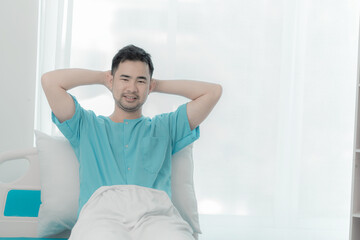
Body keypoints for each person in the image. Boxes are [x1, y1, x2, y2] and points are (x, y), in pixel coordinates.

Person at [41, 45, 222, 240]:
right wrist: (102, 78)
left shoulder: (165, 127)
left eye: (141, 81)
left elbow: (212, 92)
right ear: (112, 80)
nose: (132, 88)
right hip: (100, 216)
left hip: (156, 217)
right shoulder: (86, 125)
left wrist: (156, 85)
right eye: (125, 79)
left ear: (149, 86)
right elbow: (50, 82)